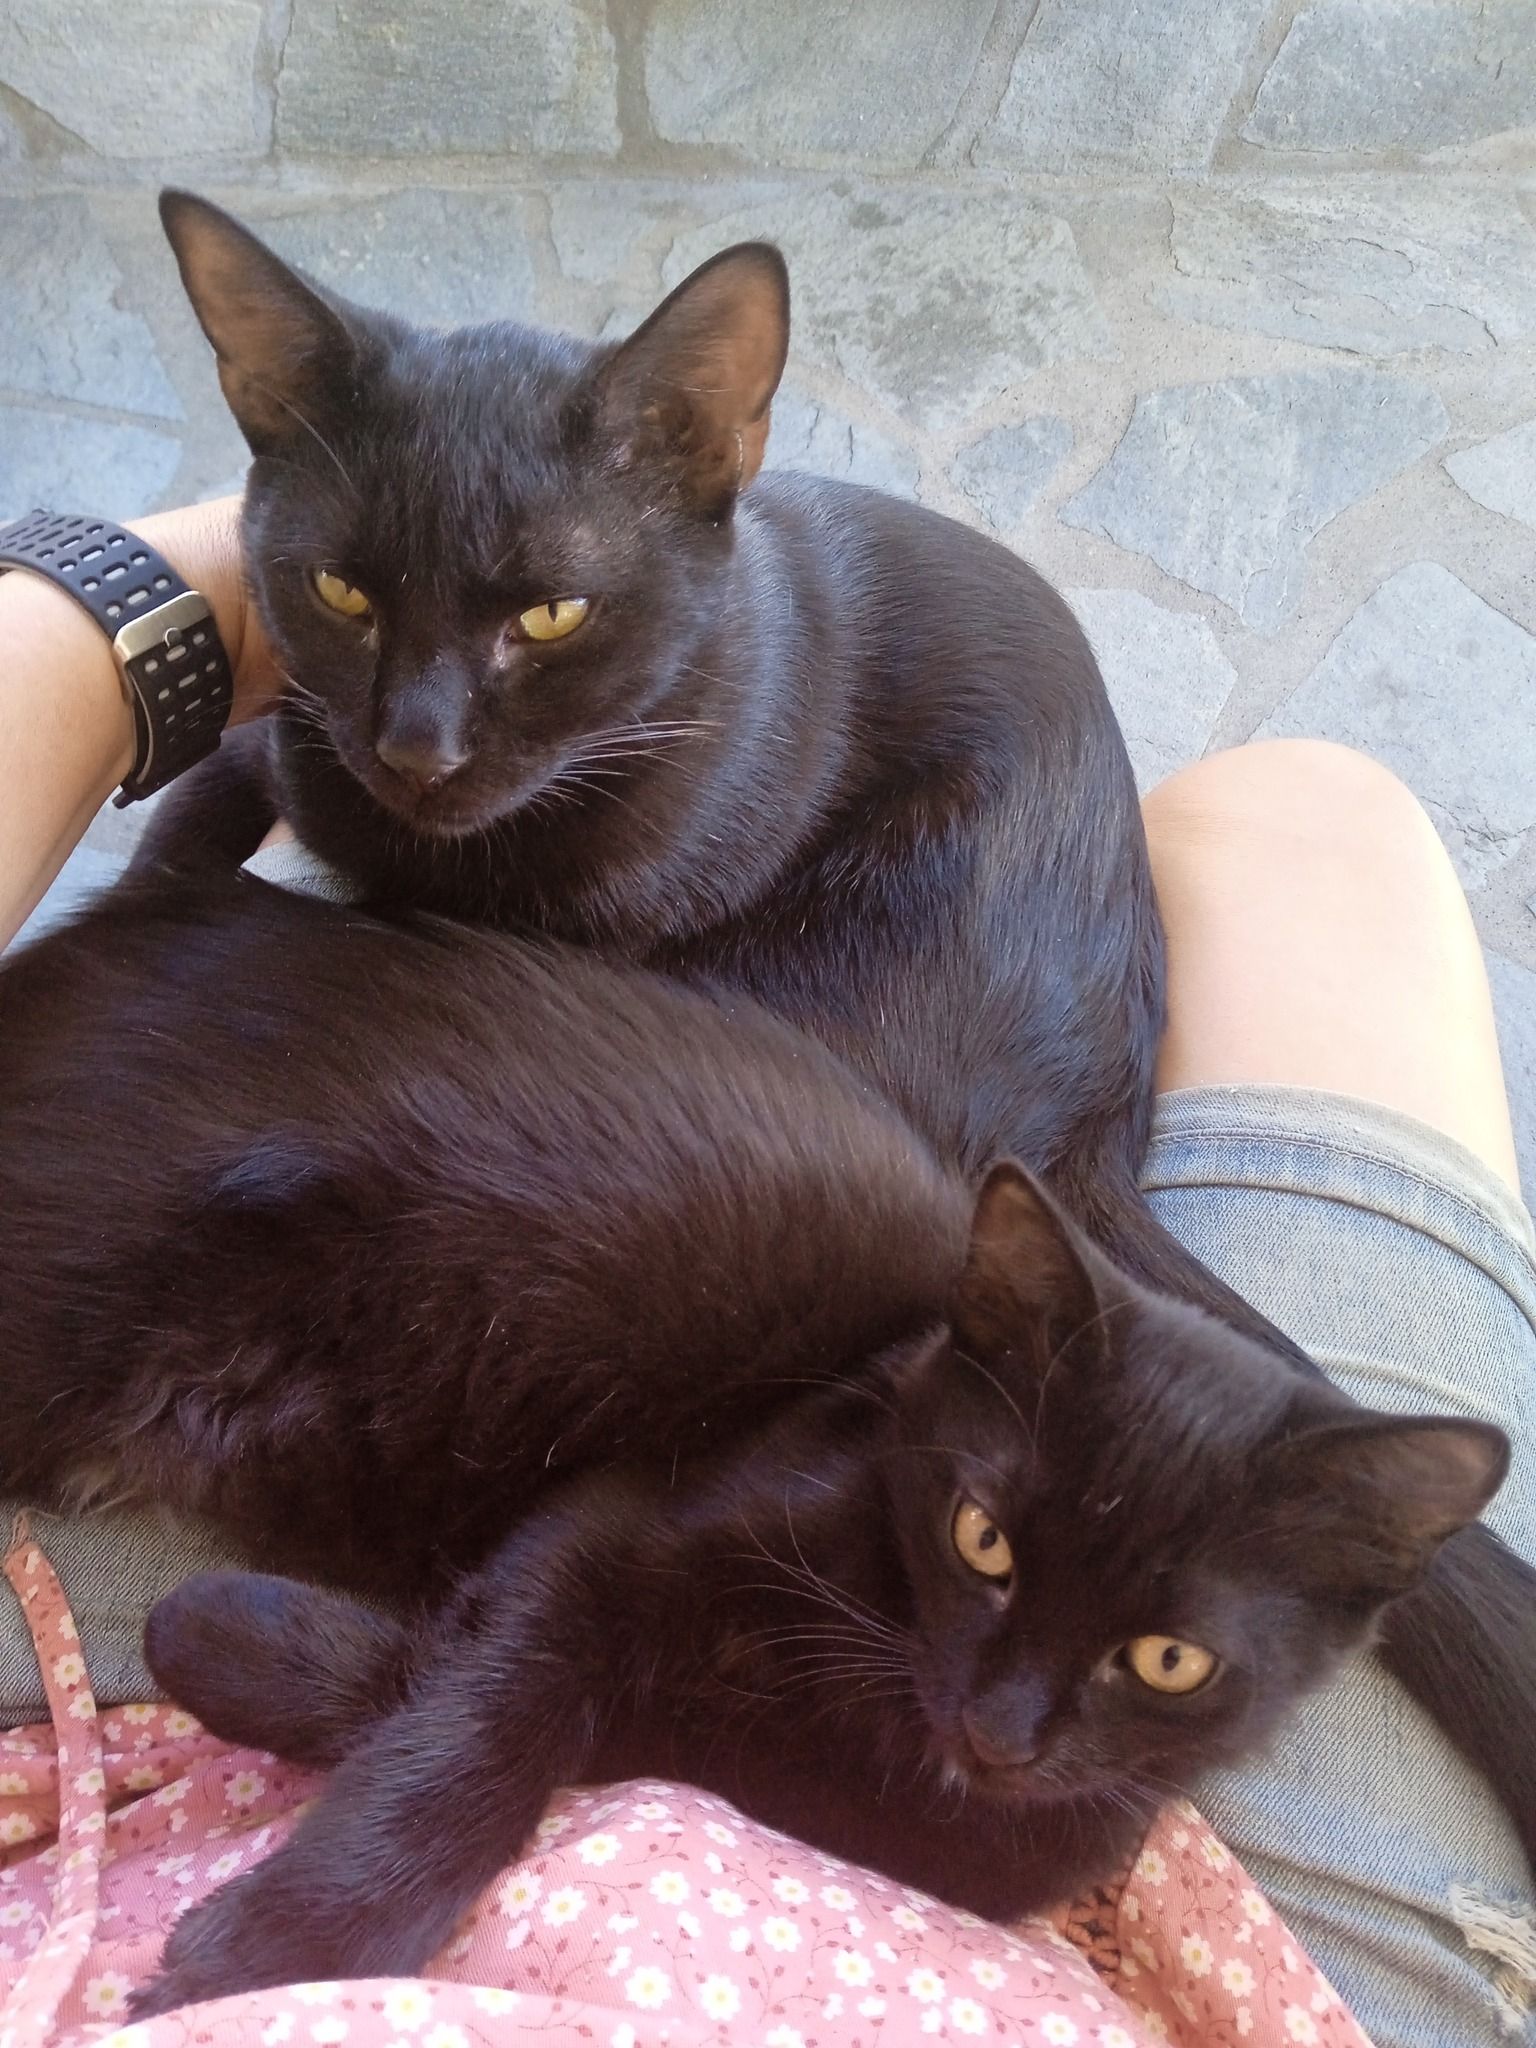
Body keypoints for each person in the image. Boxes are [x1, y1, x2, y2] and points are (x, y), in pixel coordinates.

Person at [0, 500, 1531, 2048]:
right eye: (986, 1551)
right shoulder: (882, 1502)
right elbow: (605, 1600)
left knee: (1301, 821)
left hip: (296, 1223)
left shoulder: (1016, 1662)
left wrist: (388, 1692)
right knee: (1320, 817)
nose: (1006, 1723)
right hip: (210, 1207)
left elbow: (625, 1657)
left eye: (1166, 1663)